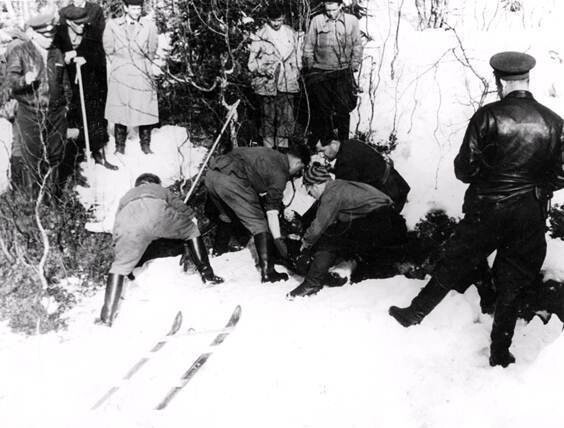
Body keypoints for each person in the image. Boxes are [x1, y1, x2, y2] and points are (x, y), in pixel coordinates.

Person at [388, 52, 564, 368]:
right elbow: (562, 172)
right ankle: (500, 353)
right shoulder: (553, 122)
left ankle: (414, 313)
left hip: (488, 208)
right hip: (529, 212)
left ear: (499, 81)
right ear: (527, 80)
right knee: (513, 279)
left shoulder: (487, 116)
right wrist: (538, 185)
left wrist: (489, 177)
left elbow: (464, 169)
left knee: (455, 260)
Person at [99, 173, 223, 327]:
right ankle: (208, 275)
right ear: (154, 182)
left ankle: (107, 316)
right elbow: (182, 208)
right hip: (157, 215)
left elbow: (117, 224)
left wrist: (119, 247)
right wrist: (189, 217)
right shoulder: (158, 188)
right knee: (192, 231)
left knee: (119, 268)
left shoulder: (126, 196)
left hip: (127, 223)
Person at [287, 163, 394, 298]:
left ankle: (312, 283)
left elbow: (319, 226)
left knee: (329, 237)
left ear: (315, 185)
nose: (312, 196)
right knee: (338, 232)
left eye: (310, 192)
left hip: (379, 219)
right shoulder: (338, 185)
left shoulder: (331, 193)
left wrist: (305, 244)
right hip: (388, 219)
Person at [205, 145, 310, 283]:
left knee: (226, 214)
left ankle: (219, 251)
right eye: (300, 168)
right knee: (259, 223)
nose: (297, 173)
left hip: (212, 175)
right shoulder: (280, 173)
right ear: (297, 163)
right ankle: (268, 273)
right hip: (232, 180)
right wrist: (278, 241)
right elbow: (271, 212)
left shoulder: (268, 153)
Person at [6, 11, 72, 192]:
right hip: (31, 113)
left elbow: (64, 81)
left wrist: (66, 105)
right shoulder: (20, 51)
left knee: (56, 155)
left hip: (56, 113)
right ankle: (35, 201)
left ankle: (53, 196)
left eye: (52, 34)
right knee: (33, 157)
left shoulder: (56, 52)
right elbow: (10, 83)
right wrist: (23, 81)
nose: (50, 38)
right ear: (34, 34)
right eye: (45, 35)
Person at [56, 3, 117, 173]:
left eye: (85, 23)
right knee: (73, 116)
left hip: (91, 82)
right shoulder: (59, 34)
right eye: (79, 24)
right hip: (68, 83)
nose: (83, 26)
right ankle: (76, 154)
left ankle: (98, 152)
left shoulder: (92, 31)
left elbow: (99, 53)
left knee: (95, 117)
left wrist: (84, 56)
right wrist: (65, 57)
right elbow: (54, 53)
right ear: (68, 22)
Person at [302, 0, 363, 147]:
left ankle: (344, 144)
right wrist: (310, 66)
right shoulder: (317, 21)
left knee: (343, 109)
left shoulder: (351, 21)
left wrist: (354, 65)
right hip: (321, 73)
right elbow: (309, 46)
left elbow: (357, 45)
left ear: (341, 6)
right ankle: (326, 144)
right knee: (323, 111)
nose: (330, 13)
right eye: (327, 10)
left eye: (333, 10)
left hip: (342, 72)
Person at [103, 0, 159, 155]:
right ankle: (120, 147)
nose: (137, 11)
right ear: (126, 8)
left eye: (139, 8)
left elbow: (152, 48)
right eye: (133, 8)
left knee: (144, 108)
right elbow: (108, 47)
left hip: (142, 71)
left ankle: (145, 145)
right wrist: (119, 63)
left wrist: (143, 64)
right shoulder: (112, 25)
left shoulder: (149, 26)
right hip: (120, 71)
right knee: (120, 109)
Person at [248, 3, 302, 150]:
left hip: (287, 83)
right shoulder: (260, 35)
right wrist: (264, 70)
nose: (276, 23)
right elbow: (251, 64)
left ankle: (282, 151)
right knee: (268, 117)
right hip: (267, 85)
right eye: (273, 20)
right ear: (268, 19)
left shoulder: (291, 33)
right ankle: (268, 150)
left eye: (279, 20)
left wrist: (296, 72)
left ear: (284, 18)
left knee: (286, 117)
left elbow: (298, 57)